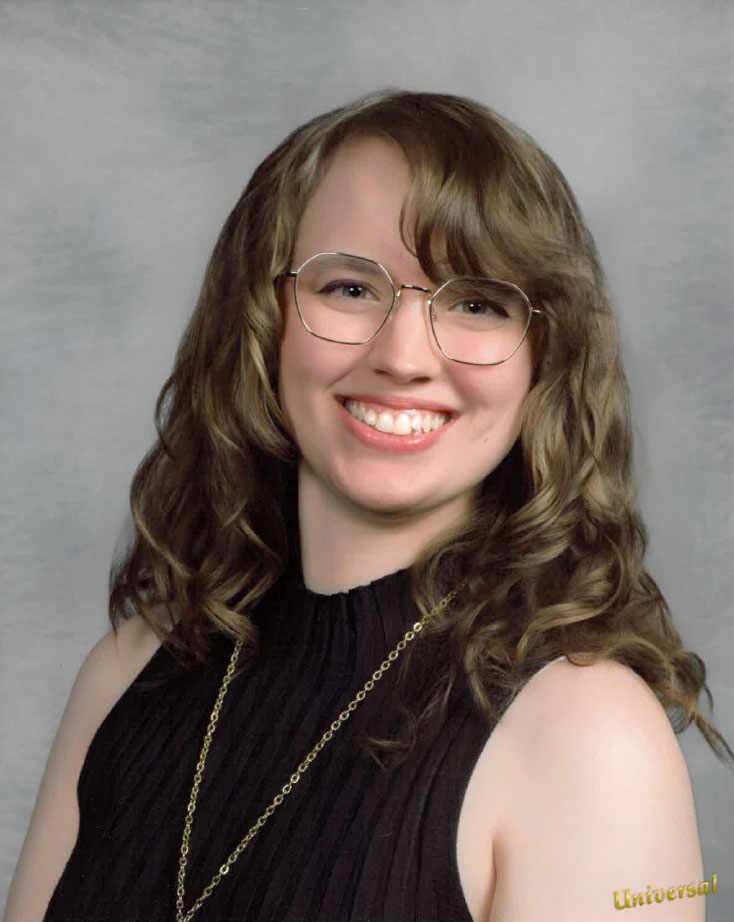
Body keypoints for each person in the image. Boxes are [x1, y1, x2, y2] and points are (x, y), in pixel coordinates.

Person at [5, 89, 731, 922]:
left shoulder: (590, 741)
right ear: (261, 316)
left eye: (476, 302)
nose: (404, 356)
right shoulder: (130, 669)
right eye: (349, 288)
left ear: (547, 357)